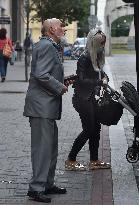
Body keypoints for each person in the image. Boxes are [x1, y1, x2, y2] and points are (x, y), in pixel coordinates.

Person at [23, 18, 68, 203]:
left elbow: (47, 73)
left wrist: (61, 82)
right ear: (51, 29)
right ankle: (36, 188)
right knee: (42, 150)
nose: (63, 29)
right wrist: (60, 87)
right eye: (61, 26)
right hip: (41, 107)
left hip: (46, 107)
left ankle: (47, 184)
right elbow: (41, 74)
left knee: (50, 149)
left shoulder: (49, 45)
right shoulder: (47, 46)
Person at [65, 29, 111, 171]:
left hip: (90, 98)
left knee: (96, 129)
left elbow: (102, 75)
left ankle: (94, 160)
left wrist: (105, 79)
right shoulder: (84, 58)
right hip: (82, 99)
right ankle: (71, 159)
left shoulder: (96, 58)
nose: (102, 46)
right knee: (89, 129)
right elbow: (82, 80)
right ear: (93, 43)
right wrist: (99, 82)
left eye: (103, 43)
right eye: (100, 43)